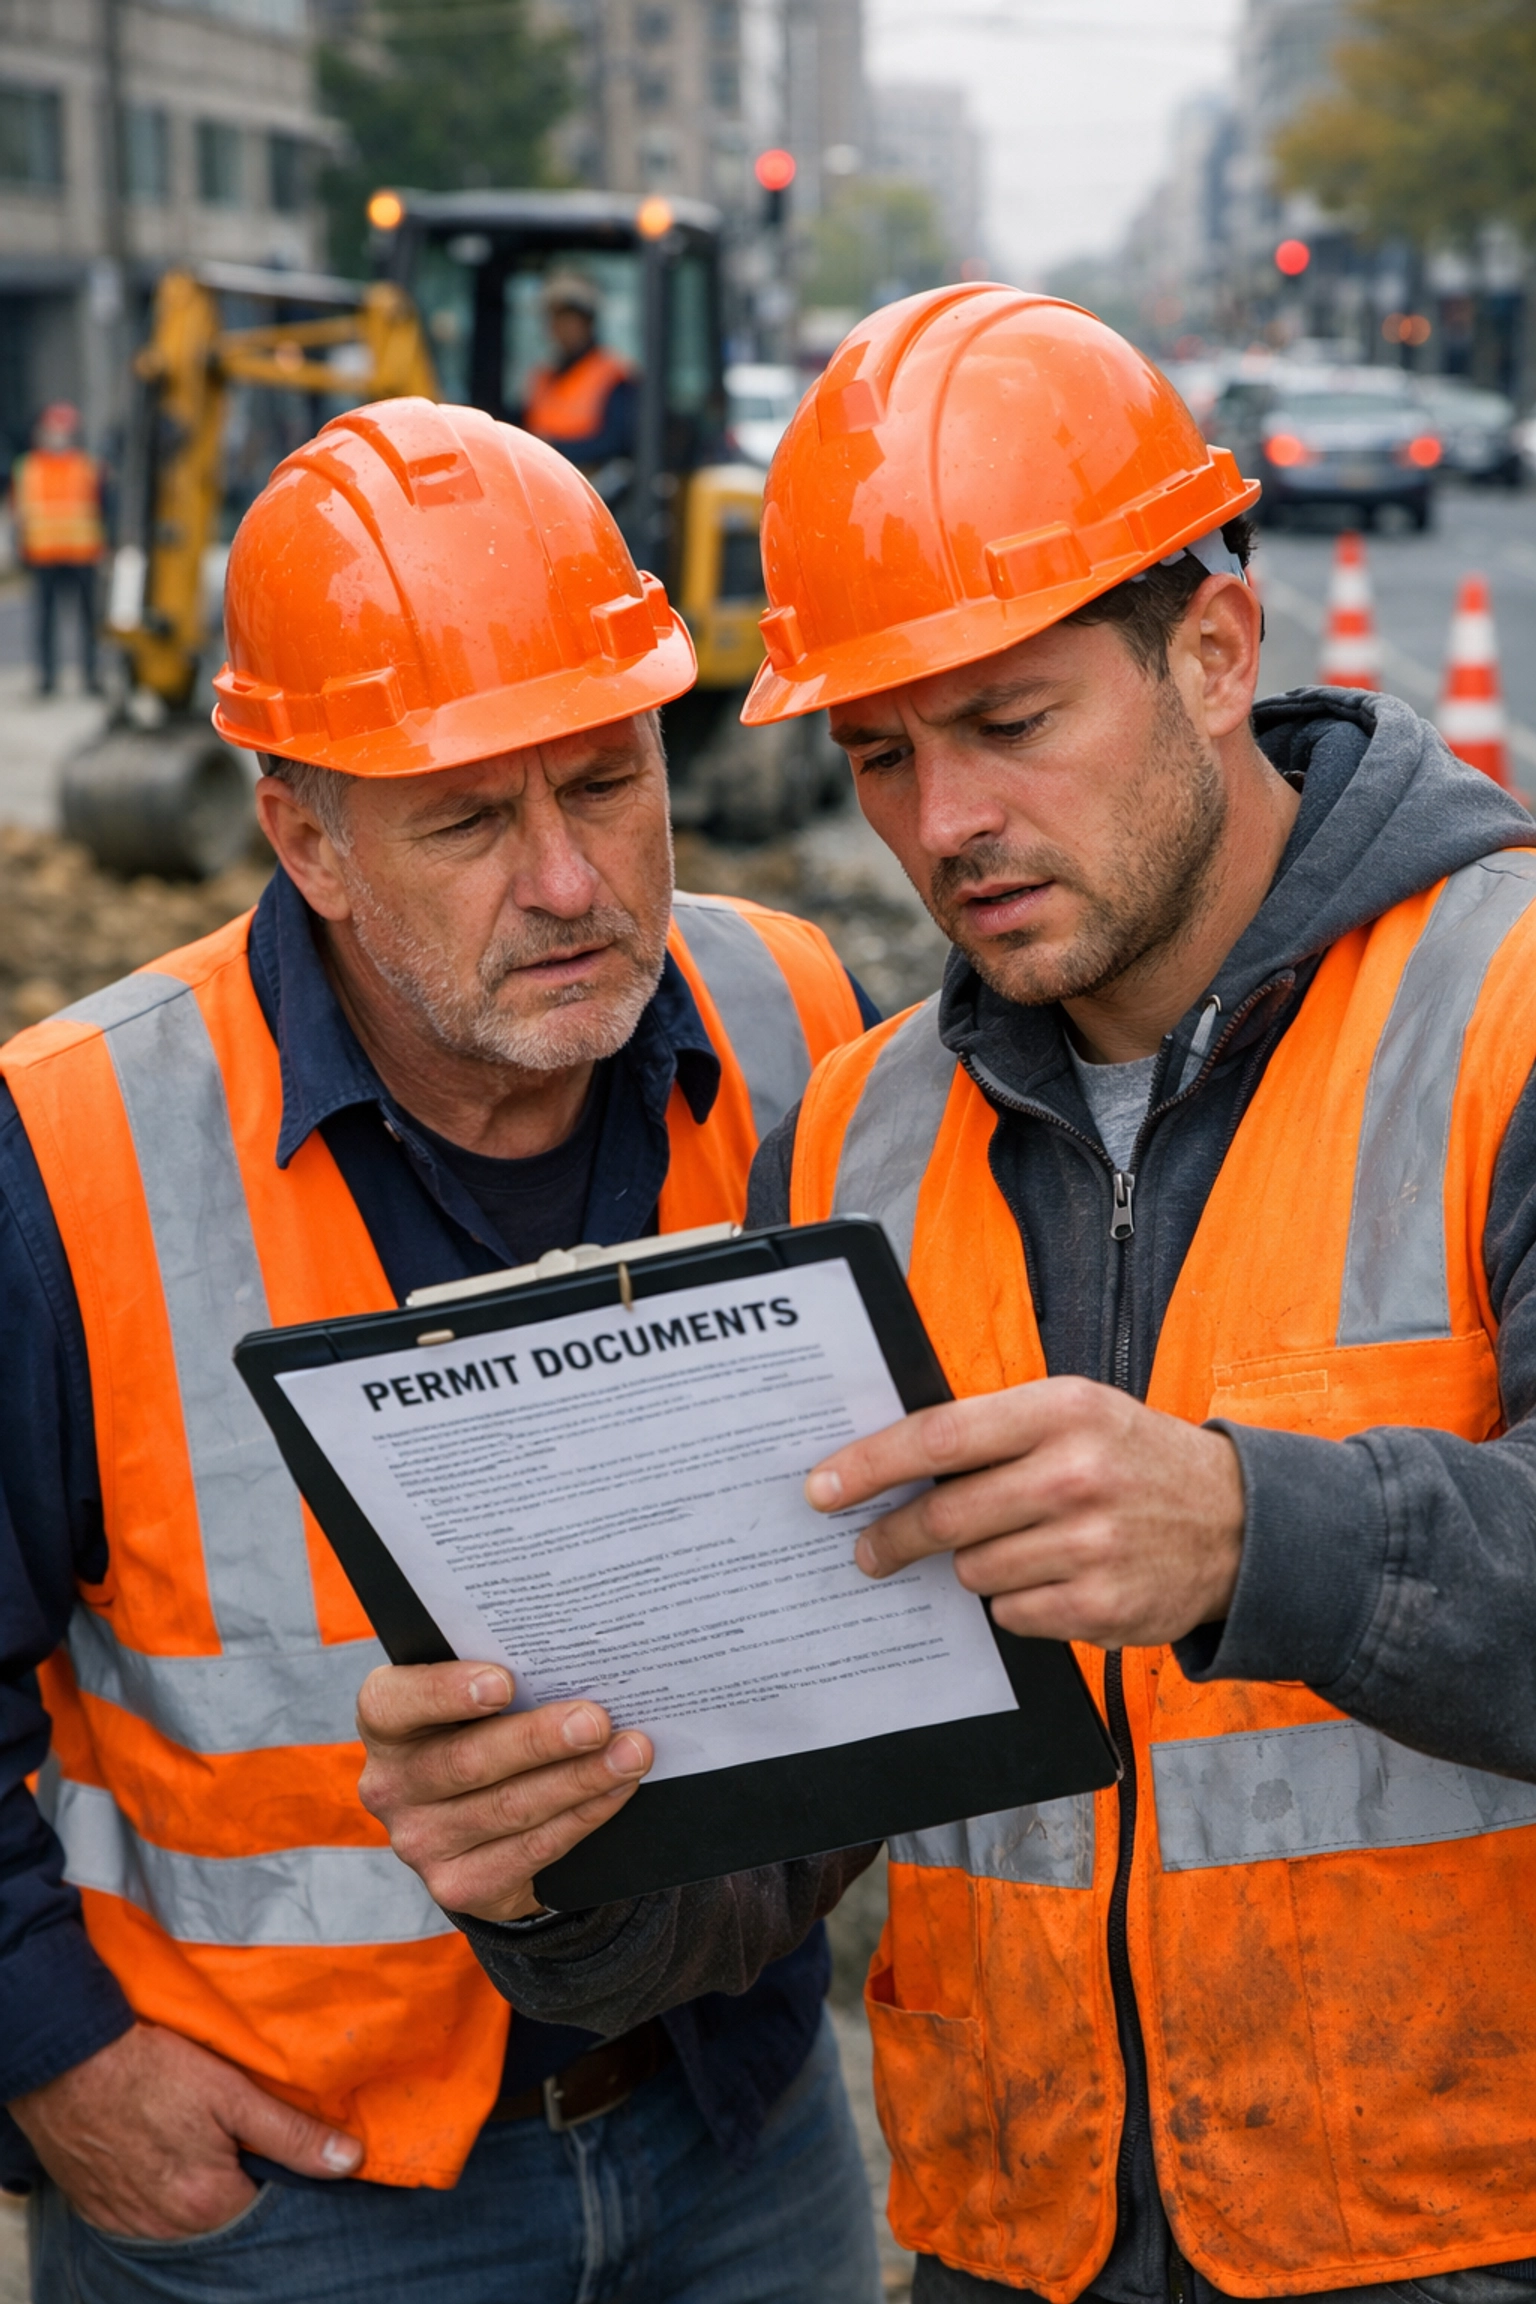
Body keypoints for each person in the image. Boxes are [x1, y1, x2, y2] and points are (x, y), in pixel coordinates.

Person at [355, 291, 1536, 2304]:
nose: (945, 823)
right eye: (885, 753)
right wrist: (558, 1865)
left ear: (1217, 652)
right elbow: (791, 1827)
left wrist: (1263, 1532)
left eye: (1013, 721)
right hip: (1014, 2249)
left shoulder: (1502, 1009)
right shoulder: (857, 1145)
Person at [0, 396, 884, 2304]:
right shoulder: (73, 1147)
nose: (569, 879)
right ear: (305, 836)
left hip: (743, 2120)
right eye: (469, 818)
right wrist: (52, 2058)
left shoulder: (796, 1010)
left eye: (609, 778)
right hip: (290, 2189)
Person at [9, 401, 104, 695]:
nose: (58, 436)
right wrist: (19, 550)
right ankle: (47, 679)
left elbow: (102, 508)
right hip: (44, 554)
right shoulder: (27, 468)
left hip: (82, 553)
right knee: (45, 620)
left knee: (88, 621)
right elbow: (19, 513)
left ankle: (91, 676)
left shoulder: (86, 467)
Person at [520, 273, 637, 475]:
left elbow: (617, 442)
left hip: (591, 489)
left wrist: (555, 448)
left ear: (587, 321)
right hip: (539, 480)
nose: (559, 327)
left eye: (567, 317)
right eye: (554, 317)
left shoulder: (611, 375)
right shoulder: (543, 377)